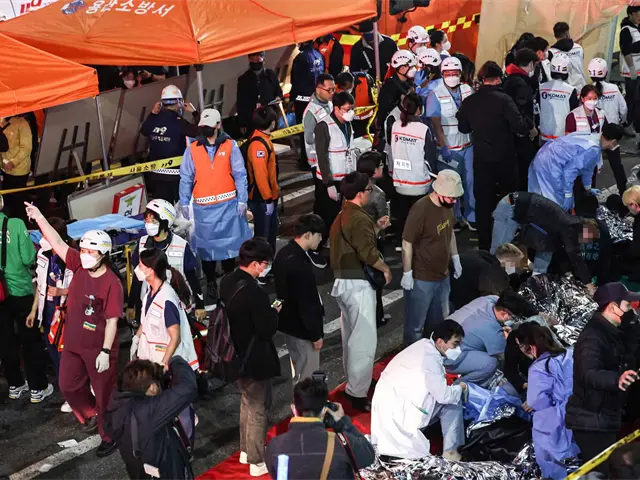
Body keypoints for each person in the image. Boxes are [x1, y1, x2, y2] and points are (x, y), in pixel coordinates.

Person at [26, 203, 124, 457]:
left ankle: (109, 434)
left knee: (105, 394)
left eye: (90, 251)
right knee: (68, 386)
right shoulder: (77, 264)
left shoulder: (112, 283)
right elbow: (57, 241)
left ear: (103, 254)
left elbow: (112, 321)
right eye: (83, 249)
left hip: (98, 349)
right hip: (73, 344)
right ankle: (91, 413)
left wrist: (105, 351)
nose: (84, 254)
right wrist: (39, 217)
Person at [330, 172, 391, 412]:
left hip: (343, 282)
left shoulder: (342, 215)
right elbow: (367, 252)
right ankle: (357, 391)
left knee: (351, 338)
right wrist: (385, 268)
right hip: (357, 285)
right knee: (364, 340)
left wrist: (375, 227)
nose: (370, 192)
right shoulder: (358, 218)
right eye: (368, 189)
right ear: (359, 194)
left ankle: (356, 382)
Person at [219, 238, 280, 477]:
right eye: (265, 264)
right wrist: (274, 313)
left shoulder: (228, 281)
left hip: (233, 355)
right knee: (257, 408)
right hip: (253, 358)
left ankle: (245, 450)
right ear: (255, 264)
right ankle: (256, 460)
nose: (266, 268)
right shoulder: (254, 292)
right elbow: (265, 329)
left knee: (246, 402)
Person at [179, 109, 252, 305]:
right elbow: (186, 177)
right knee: (207, 250)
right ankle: (211, 282)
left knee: (229, 247)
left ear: (218, 125)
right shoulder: (192, 148)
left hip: (228, 206)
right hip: (204, 209)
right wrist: (184, 201)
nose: (206, 130)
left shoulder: (230, 145)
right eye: (203, 127)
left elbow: (240, 173)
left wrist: (242, 199)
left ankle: (229, 281)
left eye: (209, 127)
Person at [566, 282, 640, 476]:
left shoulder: (618, 330)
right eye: (627, 305)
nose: (631, 310)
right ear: (613, 307)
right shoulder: (593, 337)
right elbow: (589, 372)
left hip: (608, 416)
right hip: (592, 422)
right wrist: (617, 379)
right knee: (604, 472)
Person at [457, 61, 531, 250]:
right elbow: (520, 126)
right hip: (505, 158)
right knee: (508, 200)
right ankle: (506, 242)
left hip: (482, 159)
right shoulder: (504, 100)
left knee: (483, 202)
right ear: (498, 78)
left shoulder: (470, 101)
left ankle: (484, 244)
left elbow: (463, 127)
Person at [129, 248, 199, 443]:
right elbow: (146, 319)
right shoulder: (150, 293)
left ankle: (186, 444)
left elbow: (175, 336)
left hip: (170, 364)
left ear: (151, 270)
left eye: (141, 265)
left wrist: (164, 363)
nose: (137, 269)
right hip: (156, 360)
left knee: (179, 406)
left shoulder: (166, 298)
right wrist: (137, 338)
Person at [371, 319, 467, 460]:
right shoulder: (431, 361)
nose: (458, 349)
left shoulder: (422, 346)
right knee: (453, 402)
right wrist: (460, 387)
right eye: (455, 344)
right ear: (440, 342)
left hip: (386, 407)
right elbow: (444, 396)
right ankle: (451, 452)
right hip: (402, 417)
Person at [104, 357, 198, 480]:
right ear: (152, 388)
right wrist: (175, 360)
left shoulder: (117, 404)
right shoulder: (145, 412)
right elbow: (188, 388)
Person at [265, 377, 375, 478]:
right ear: (324, 411)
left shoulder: (274, 446)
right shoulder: (341, 444)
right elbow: (368, 455)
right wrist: (342, 422)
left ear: (294, 409)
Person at [490, 192, 598, 294]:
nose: (585, 242)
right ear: (585, 231)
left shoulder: (567, 225)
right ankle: (489, 286)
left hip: (523, 211)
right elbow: (575, 257)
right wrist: (588, 284)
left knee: (547, 249)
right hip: (510, 208)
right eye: (587, 238)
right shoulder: (569, 227)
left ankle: (534, 285)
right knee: (498, 253)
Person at [401, 170, 463, 346]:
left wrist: (455, 257)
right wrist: (407, 273)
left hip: (442, 276)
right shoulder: (421, 209)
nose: (454, 201)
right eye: (451, 197)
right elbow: (407, 242)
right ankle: (412, 357)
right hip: (422, 278)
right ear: (439, 192)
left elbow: (450, 232)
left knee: (438, 325)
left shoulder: (448, 207)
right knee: (415, 327)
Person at [0, 198, 50, 404]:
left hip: (0, 295)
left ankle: (15, 385)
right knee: (29, 340)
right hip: (20, 290)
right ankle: (38, 387)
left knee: (5, 340)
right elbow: (28, 258)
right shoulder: (15, 224)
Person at [517, 323, 579, 479]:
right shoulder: (570, 353)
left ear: (529, 347)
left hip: (556, 420)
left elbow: (536, 401)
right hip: (582, 409)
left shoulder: (539, 368)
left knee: (554, 464)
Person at [126, 199, 205, 320]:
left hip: (177, 307)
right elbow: (137, 278)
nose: (148, 224)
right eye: (147, 220)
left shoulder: (181, 246)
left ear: (165, 223)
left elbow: (192, 278)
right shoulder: (142, 244)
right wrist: (131, 305)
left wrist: (200, 305)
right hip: (150, 307)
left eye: (153, 221)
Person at [26, 218, 75, 411]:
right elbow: (40, 285)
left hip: (64, 316)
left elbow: (83, 287)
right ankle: (68, 394)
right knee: (56, 357)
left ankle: (75, 396)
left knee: (67, 358)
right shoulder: (43, 255)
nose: (42, 239)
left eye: (46, 235)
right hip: (47, 316)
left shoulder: (71, 258)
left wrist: (63, 291)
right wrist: (33, 311)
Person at [273, 214, 325, 385]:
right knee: (307, 378)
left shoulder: (284, 253)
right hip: (304, 331)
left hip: (291, 326)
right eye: (319, 235)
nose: (321, 239)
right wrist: (316, 335)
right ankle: (306, 402)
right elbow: (306, 303)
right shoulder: (298, 263)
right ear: (308, 235)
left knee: (299, 371)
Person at [426, 56, 475, 228]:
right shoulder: (435, 94)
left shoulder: (468, 90)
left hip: (468, 145)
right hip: (449, 148)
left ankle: (471, 216)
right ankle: (454, 218)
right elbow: (436, 125)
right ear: (442, 74)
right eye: (448, 73)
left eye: (455, 73)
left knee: (470, 182)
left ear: (460, 73)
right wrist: (444, 146)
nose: (452, 76)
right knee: (450, 185)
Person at [528, 123, 623, 211]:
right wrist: (568, 194)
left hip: (544, 155)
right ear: (614, 142)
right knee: (556, 204)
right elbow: (569, 171)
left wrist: (588, 188)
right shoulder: (593, 149)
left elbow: (587, 169)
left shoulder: (592, 138)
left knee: (540, 196)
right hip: (549, 165)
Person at [445, 292, 530, 387]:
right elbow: (504, 356)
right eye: (513, 317)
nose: (513, 320)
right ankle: (456, 387)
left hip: (440, 336)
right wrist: (507, 338)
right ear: (504, 313)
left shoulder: (488, 299)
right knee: (491, 364)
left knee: (507, 324)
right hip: (447, 357)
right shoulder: (494, 331)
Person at [140, 85, 199, 204]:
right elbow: (202, 132)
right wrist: (195, 113)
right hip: (176, 176)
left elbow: (144, 130)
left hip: (156, 175)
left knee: (162, 210)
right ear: (179, 103)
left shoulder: (153, 120)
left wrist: (152, 114)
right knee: (182, 209)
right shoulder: (180, 123)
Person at [390, 92, 436, 238]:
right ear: (419, 109)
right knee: (418, 217)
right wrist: (435, 175)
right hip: (419, 182)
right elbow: (430, 158)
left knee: (403, 215)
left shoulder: (396, 125)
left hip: (400, 180)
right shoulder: (423, 129)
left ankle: (401, 241)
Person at [314, 91, 356, 244]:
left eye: (352, 109)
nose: (351, 113)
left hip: (345, 179)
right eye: (347, 109)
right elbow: (322, 156)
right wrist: (329, 184)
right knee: (327, 217)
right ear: (337, 108)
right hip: (330, 181)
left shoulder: (348, 124)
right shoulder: (324, 126)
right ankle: (320, 246)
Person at [357, 152, 392, 326]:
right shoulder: (378, 194)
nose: (383, 167)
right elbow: (383, 219)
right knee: (375, 279)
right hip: (374, 240)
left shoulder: (352, 187)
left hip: (355, 240)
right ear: (373, 170)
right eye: (380, 165)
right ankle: (377, 317)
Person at [588, 57, 629, 194]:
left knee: (592, 168)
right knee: (617, 166)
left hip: (594, 135)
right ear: (606, 72)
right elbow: (623, 109)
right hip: (611, 135)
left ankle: (590, 196)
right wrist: (622, 122)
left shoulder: (586, 90)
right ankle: (624, 193)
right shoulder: (614, 89)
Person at [503, 48, 540, 190]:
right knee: (524, 171)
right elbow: (520, 110)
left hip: (510, 135)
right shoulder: (521, 84)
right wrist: (531, 127)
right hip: (521, 135)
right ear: (530, 64)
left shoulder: (510, 79)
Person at [245, 106, 280, 253]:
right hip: (261, 199)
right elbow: (260, 176)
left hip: (267, 196)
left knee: (270, 233)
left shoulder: (263, 139)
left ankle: (268, 260)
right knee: (263, 237)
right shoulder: (258, 145)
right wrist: (268, 200)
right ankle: (262, 262)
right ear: (272, 123)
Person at [450, 244, 524, 311]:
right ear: (507, 260)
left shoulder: (483, 254)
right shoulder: (491, 271)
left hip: (450, 286)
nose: (514, 268)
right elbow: (500, 295)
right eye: (514, 265)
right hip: (460, 302)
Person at [291, 41, 325, 169]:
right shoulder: (319, 55)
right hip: (317, 99)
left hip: (303, 101)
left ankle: (306, 161)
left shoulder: (300, 58)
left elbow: (295, 81)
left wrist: (292, 98)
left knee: (304, 131)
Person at [236, 51, 283, 134]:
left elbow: (278, 92)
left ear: (263, 60)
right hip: (251, 119)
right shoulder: (243, 79)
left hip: (269, 116)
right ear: (249, 60)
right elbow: (240, 103)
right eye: (252, 60)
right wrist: (242, 123)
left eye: (258, 60)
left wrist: (278, 98)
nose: (255, 62)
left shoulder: (271, 75)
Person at [538, 53, 579, 144]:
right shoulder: (570, 90)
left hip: (544, 134)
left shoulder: (542, 87)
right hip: (563, 137)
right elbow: (574, 113)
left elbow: (537, 109)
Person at [378, 50, 417, 133]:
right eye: (410, 67)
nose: (413, 69)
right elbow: (384, 110)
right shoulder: (389, 86)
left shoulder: (409, 83)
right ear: (401, 67)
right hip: (393, 127)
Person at [1, 115, 32, 218]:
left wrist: (13, 162)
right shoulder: (3, 122)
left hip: (18, 171)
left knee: (18, 201)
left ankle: (20, 221)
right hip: (5, 170)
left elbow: (26, 148)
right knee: (7, 201)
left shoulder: (22, 124)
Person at [619, 4, 640, 137]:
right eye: (636, 14)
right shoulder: (626, 30)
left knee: (637, 99)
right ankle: (627, 123)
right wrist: (632, 68)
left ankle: (634, 122)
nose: (639, 16)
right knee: (632, 98)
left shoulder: (637, 28)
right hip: (631, 71)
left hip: (639, 70)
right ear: (630, 15)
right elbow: (626, 50)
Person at [550, 21, 588, 90]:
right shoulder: (579, 48)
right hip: (581, 88)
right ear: (567, 33)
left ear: (555, 35)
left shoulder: (552, 52)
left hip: (564, 90)